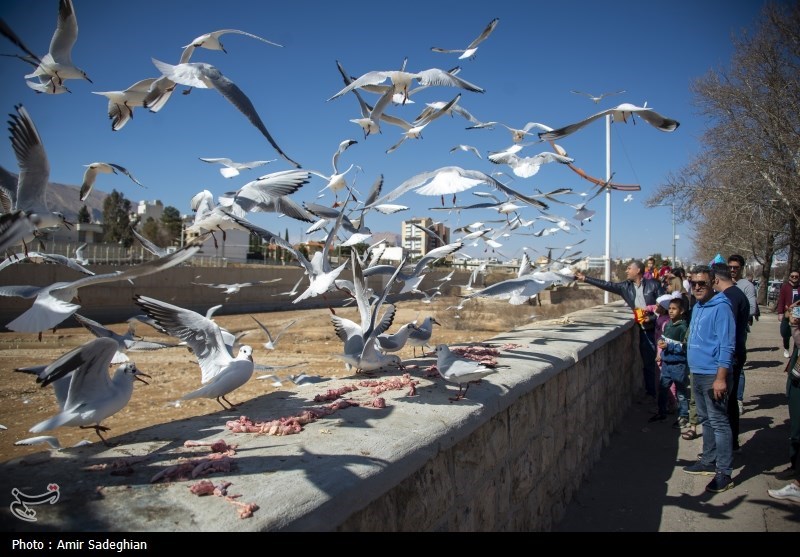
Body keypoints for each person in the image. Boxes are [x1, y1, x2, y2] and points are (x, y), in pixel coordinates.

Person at [575, 260, 665, 400]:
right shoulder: (625, 287)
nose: (627, 271)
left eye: (629, 268)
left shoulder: (654, 285)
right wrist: (585, 278)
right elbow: (608, 285)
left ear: (638, 271)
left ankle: (668, 396)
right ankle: (653, 394)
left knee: (663, 362)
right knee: (648, 363)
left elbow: (665, 306)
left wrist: (652, 318)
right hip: (644, 331)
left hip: (659, 329)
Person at [682, 265, 736, 493]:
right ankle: (708, 460)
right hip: (698, 372)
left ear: (713, 282)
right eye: (693, 283)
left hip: (713, 375)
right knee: (706, 419)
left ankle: (724, 472)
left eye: (702, 283)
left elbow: (727, 345)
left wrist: (721, 378)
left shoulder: (722, 308)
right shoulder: (698, 306)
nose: (697, 287)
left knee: (719, 422)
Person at [712, 263, 750, 452]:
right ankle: (731, 444)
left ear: (716, 279)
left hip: (731, 356)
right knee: (730, 403)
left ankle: (726, 448)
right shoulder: (737, 295)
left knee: (724, 406)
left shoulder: (729, 298)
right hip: (736, 352)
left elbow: (726, 333)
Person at [768, 304, 800, 503]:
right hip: (795, 373)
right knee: (796, 429)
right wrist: (790, 320)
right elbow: (786, 332)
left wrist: (795, 326)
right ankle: (795, 469)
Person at [728, 254, 757, 414]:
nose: (732, 270)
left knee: (738, 364)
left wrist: (734, 310)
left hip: (739, 329)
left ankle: (738, 399)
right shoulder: (722, 283)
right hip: (724, 329)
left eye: (736, 267)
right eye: (730, 267)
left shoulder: (746, 285)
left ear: (741, 268)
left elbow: (752, 308)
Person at [657, 297, 690, 429]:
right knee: (663, 389)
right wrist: (660, 343)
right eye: (669, 308)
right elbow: (663, 337)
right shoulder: (669, 324)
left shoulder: (683, 327)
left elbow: (685, 348)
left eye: (674, 309)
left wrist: (669, 347)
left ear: (681, 311)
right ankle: (662, 412)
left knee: (681, 393)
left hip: (678, 365)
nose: (670, 311)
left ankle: (683, 416)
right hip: (666, 363)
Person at [777, 271, 800, 358]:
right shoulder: (785, 287)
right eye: (792, 276)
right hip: (787, 312)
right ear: (790, 277)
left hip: (798, 313)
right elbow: (781, 300)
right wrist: (780, 313)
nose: (794, 278)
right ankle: (786, 348)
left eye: (796, 276)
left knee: (797, 333)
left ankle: (796, 350)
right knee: (785, 332)